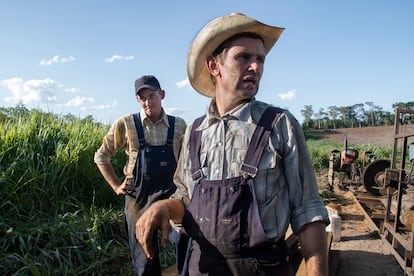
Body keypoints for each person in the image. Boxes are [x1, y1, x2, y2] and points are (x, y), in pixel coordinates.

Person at [135, 13, 329, 276]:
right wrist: (163, 207)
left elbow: (308, 214)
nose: (255, 67)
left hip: (263, 268)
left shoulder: (280, 125)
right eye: (243, 57)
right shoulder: (195, 132)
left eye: (260, 59)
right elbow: (185, 198)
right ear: (214, 65)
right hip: (202, 267)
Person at [94, 75, 187, 276]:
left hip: (172, 198)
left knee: (187, 245)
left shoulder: (179, 125)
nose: (147, 102)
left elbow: (188, 163)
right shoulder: (127, 124)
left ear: (162, 95)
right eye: (142, 98)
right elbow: (101, 156)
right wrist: (116, 186)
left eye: (152, 95)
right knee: (144, 260)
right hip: (138, 200)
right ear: (137, 100)